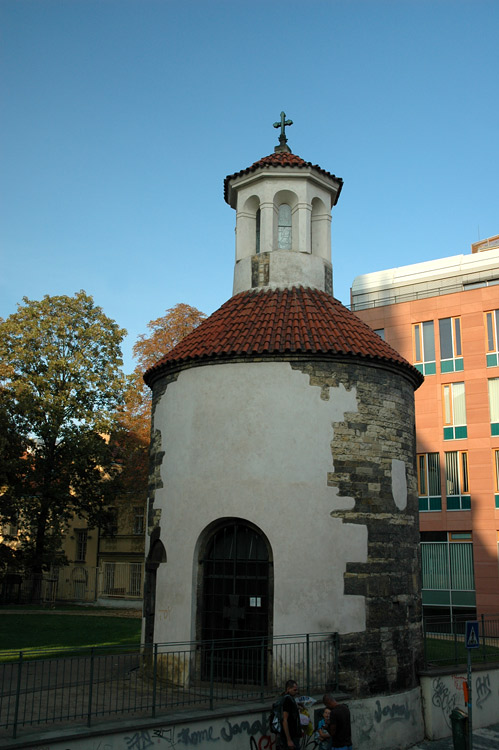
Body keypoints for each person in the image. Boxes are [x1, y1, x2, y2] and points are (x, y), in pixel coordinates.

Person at [277, 679, 302, 750]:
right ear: (288, 689)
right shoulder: (287, 700)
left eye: (297, 690)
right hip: (290, 737)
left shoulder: (289, 699)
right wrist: (289, 740)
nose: (296, 692)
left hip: (293, 736)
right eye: (294, 690)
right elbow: (285, 720)